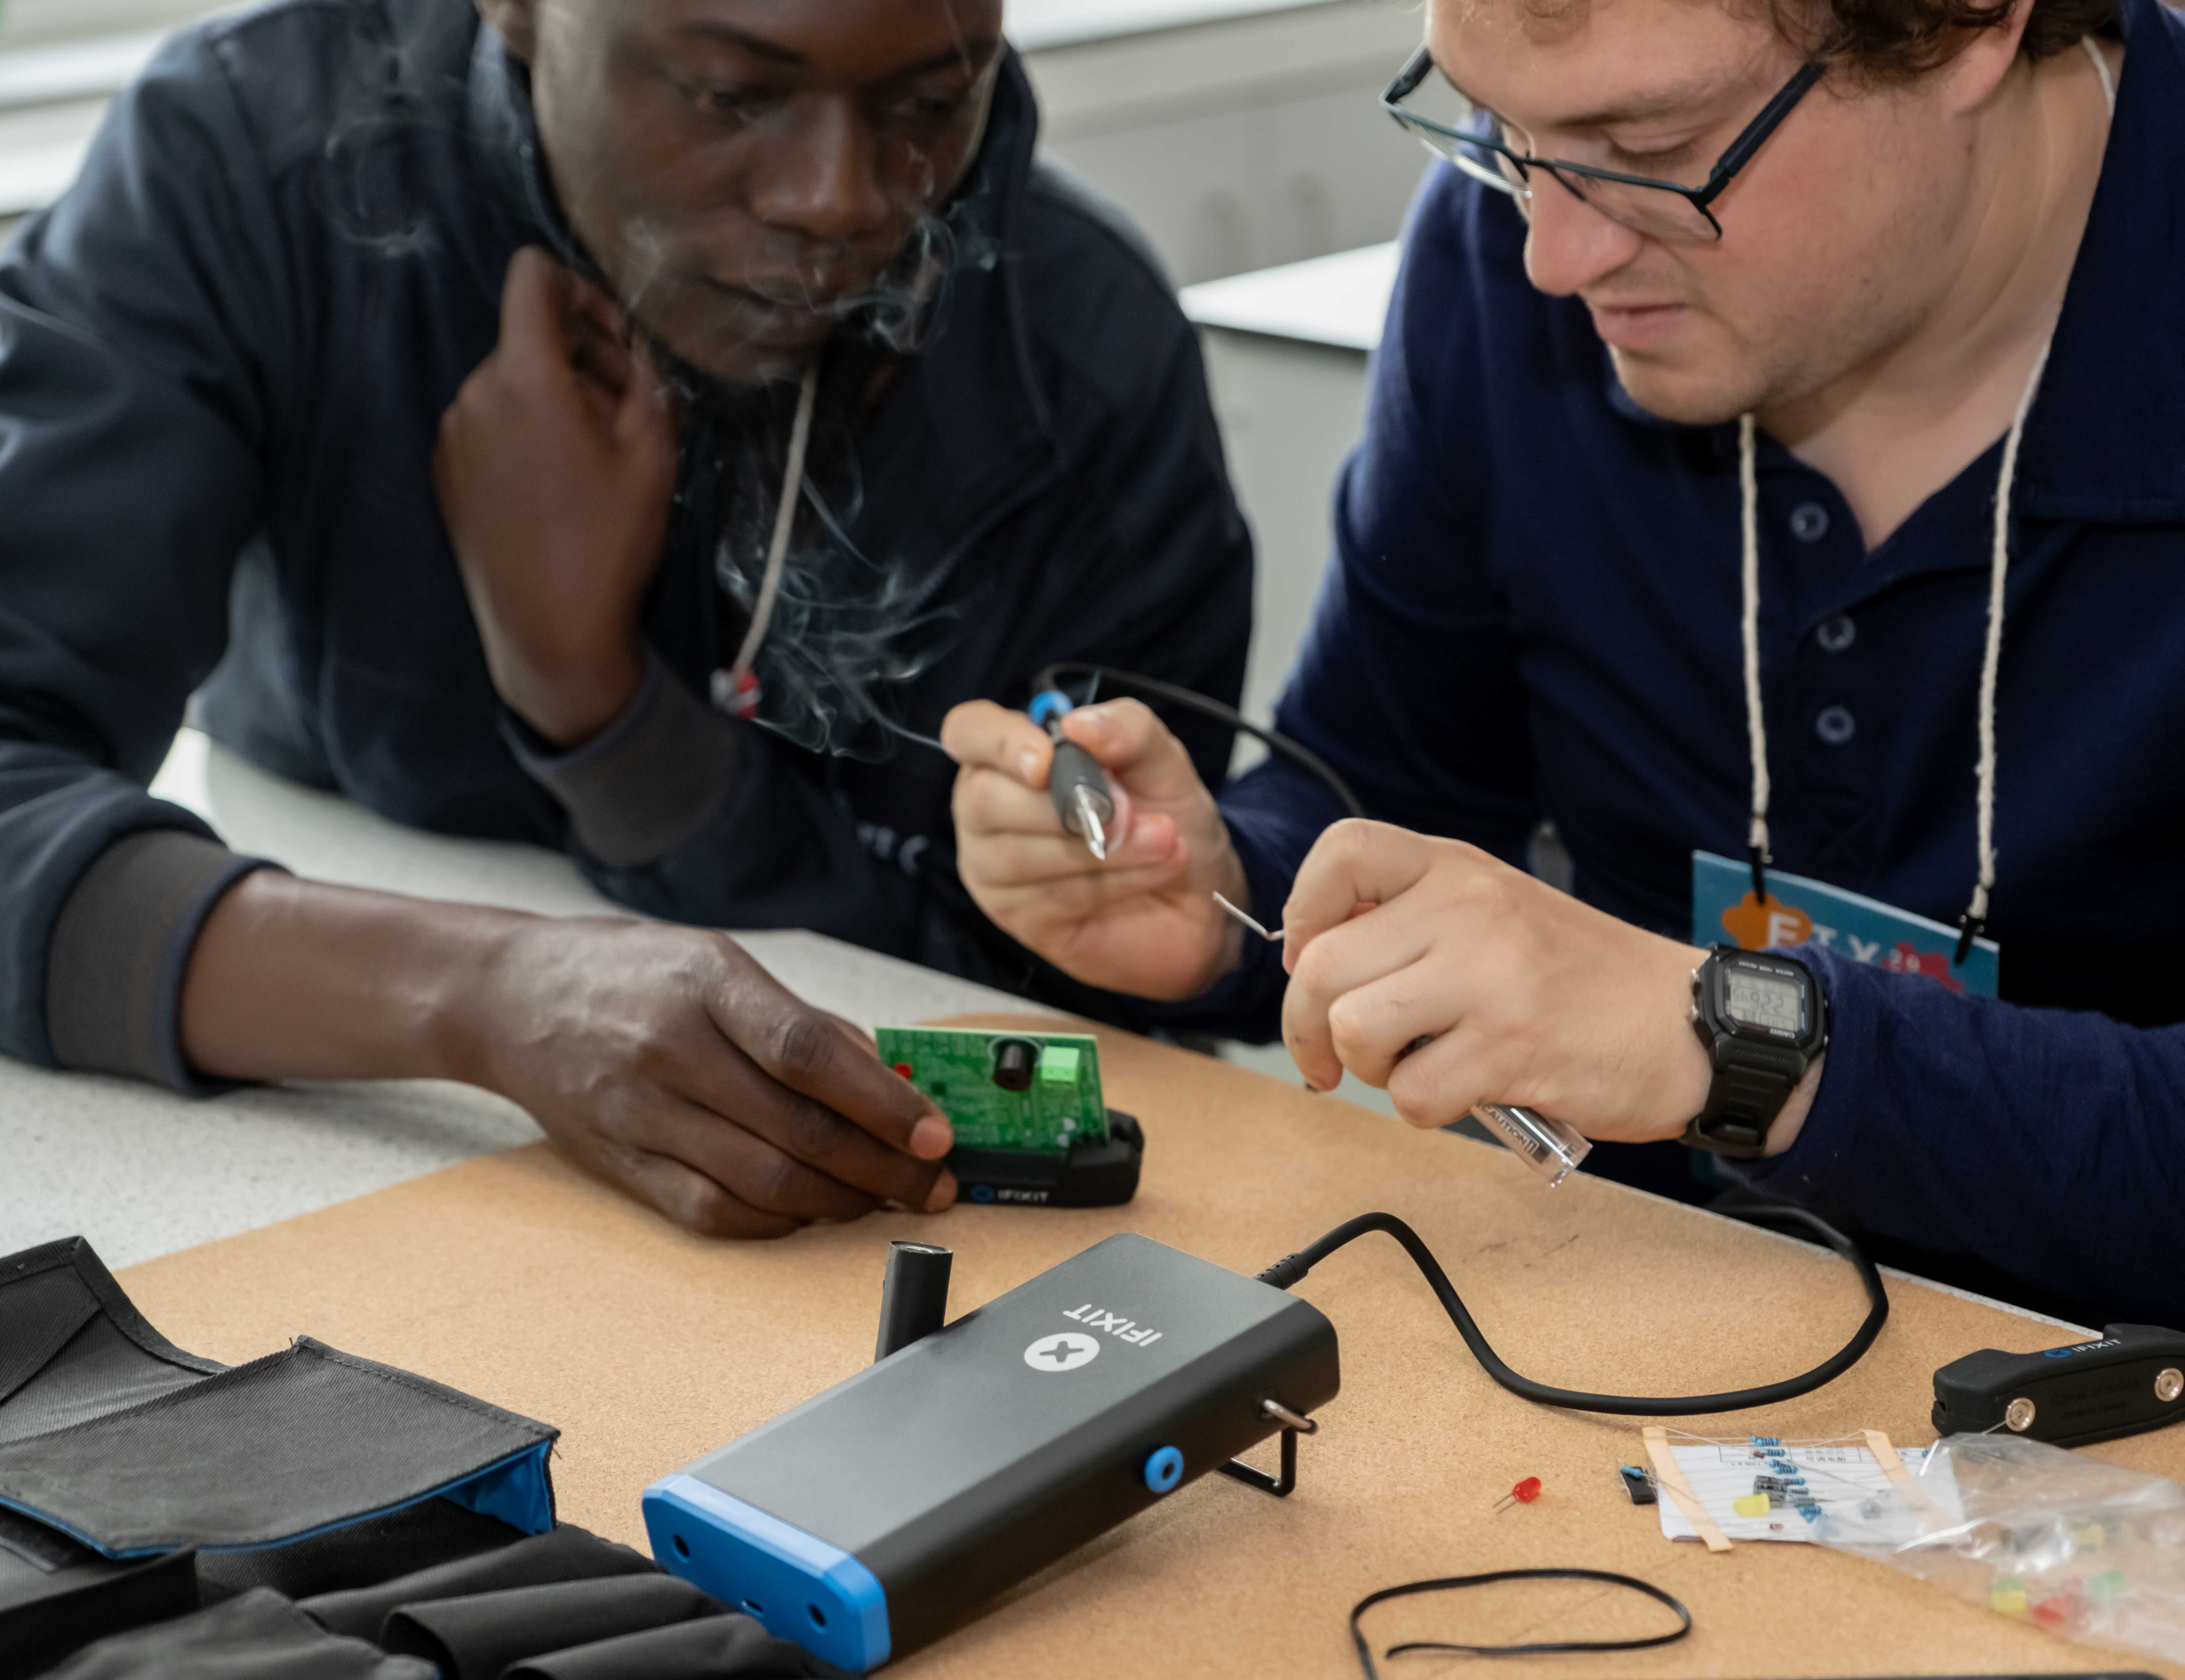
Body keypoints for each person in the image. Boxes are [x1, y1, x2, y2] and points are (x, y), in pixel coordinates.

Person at [946, 0, 2185, 1323]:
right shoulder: (1501, 254)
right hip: (1641, 1330)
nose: (1550, 251)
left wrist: (1746, 1040)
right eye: (1498, 127)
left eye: (1644, 145)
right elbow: (1391, 786)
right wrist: (1227, 897)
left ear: (1962, 28)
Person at [0, 0, 1252, 1238]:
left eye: (928, 103)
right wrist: (483, 994)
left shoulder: (1090, 357)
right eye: (729, 93)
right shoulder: (242, 163)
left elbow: (1095, 1021)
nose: (838, 200)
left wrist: (602, 710)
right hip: (291, 1184)